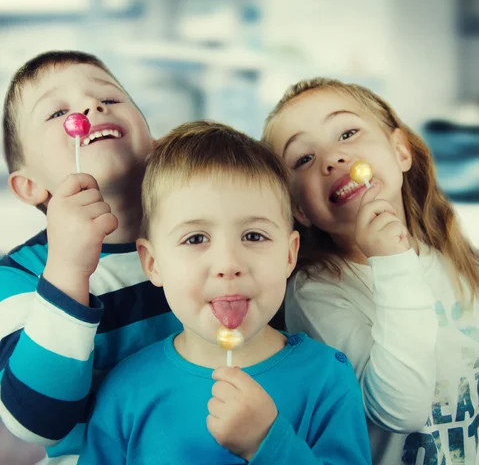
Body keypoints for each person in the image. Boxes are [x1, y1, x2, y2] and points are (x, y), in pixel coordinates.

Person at [78, 121, 371, 465]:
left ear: (290, 254)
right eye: (196, 239)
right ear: (153, 263)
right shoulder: (125, 390)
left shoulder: (326, 377)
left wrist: (268, 442)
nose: (228, 264)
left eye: (254, 236)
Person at [262, 76, 479, 465]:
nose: (332, 159)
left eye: (347, 132)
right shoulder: (317, 292)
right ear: (300, 211)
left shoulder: (456, 260)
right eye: (304, 159)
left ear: (400, 152)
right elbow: (400, 411)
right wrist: (393, 263)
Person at [0, 50, 181, 464]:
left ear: (153, 143)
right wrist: (66, 270)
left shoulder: (205, 240)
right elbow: (36, 419)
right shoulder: (15, 279)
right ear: (29, 186)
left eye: (111, 99)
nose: (91, 107)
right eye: (56, 111)